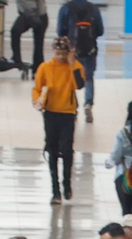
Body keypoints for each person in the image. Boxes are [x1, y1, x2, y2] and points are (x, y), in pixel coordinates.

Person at [31, 36, 84, 203]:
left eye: (63, 53)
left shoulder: (74, 67)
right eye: (58, 53)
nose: (60, 56)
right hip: (50, 112)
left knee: (67, 149)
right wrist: (37, 100)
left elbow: (79, 85)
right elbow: (37, 87)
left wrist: (72, 63)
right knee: (52, 150)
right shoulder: (45, 67)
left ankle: (67, 183)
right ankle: (55, 190)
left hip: (68, 112)